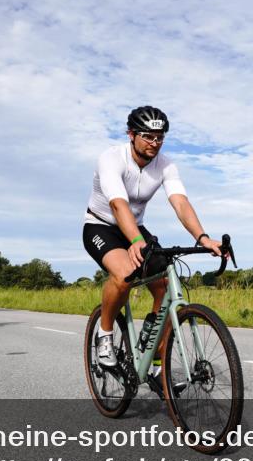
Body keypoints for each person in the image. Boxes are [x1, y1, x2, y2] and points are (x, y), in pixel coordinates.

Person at [82, 106, 223, 382]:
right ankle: (105, 334)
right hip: (101, 225)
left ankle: (155, 356)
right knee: (124, 275)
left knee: (165, 285)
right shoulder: (111, 158)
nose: (154, 143)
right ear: (131, 134)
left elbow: (180, 202)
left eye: (160, 137)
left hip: (135, 227)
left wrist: (202, 237)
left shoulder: (166, 165)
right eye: (148, 136)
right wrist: (135, 240)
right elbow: (117, 203)